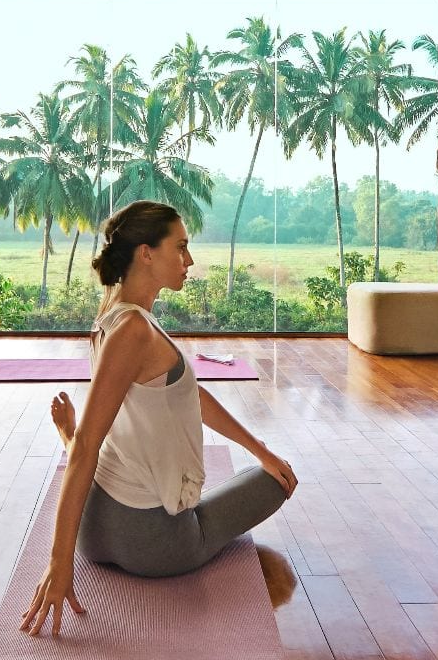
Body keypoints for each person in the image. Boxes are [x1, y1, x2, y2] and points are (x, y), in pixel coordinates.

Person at [22, 201, 299, 637]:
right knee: (273, 481)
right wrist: (58, 566)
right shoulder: (136, 331)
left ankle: (74, 442)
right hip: (153, 545)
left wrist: (257, 447)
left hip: (94, 532)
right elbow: (88, 448)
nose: (189, 260)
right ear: (146, 253)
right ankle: (181, 518)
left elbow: (188, 395)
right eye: (181, 247)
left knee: (254, 463)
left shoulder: (111, 316)